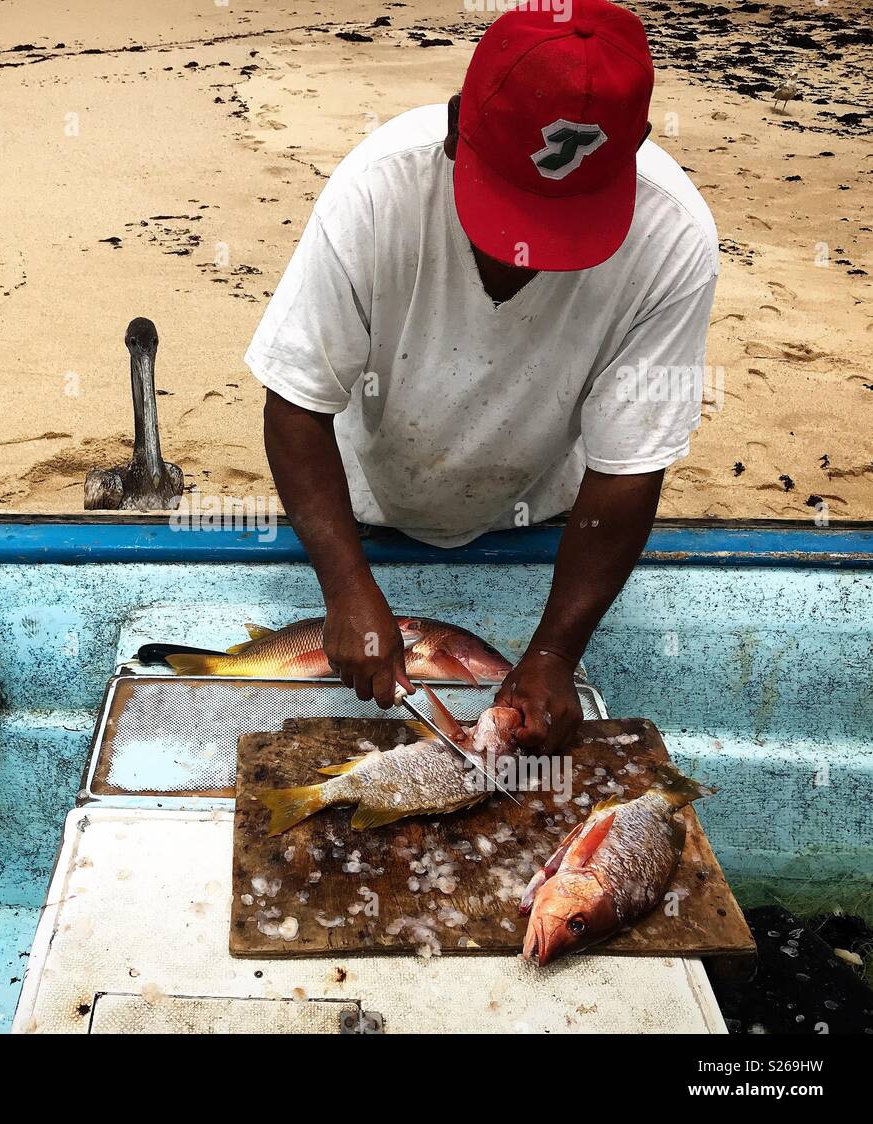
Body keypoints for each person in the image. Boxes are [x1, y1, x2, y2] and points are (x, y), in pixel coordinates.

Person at [245, 0, 718, 754]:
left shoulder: (675, 240)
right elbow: (296, 402)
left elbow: (628, 468)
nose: (525, 253)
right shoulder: (376, 190)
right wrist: (344, 585)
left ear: (639, 147)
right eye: (507, 211)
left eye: (562, 223)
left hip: (545, 520)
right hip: (363, 502)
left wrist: (556, 653)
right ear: (458, 122)